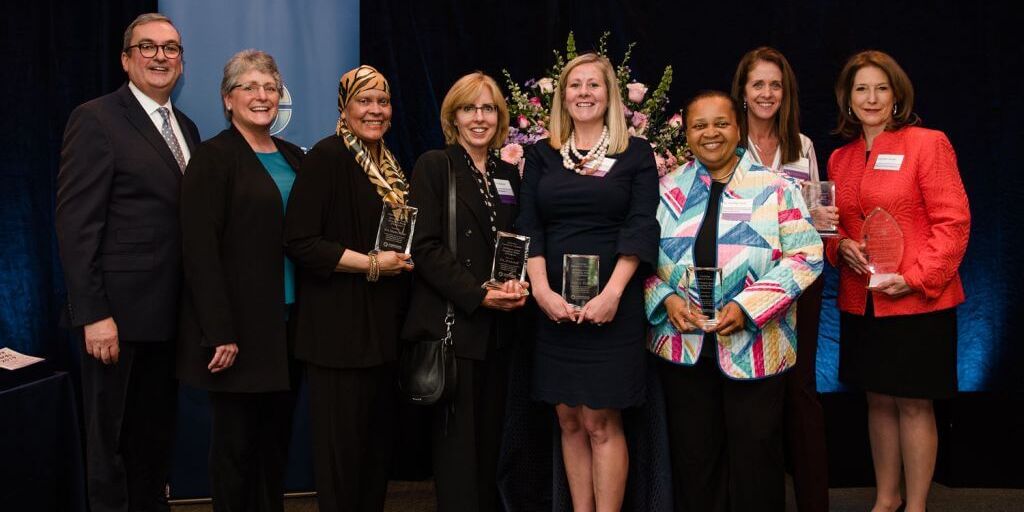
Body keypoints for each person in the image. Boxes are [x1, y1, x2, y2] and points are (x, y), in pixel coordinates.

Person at [644, 90, 823, 512]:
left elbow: (806, 256)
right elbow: (639, 261)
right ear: (686, 133)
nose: (711, 133)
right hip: (684, 347)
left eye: (721, 123)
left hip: (756, 349)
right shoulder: (666, 191)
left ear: (738, 128)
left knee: (756, 463)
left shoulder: (775, 187)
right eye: (699, 125)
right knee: (695, 465)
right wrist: (666, 299)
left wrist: (747, 308)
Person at [55, 13, 199, 512]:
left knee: (152, 444)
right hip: (114, 321)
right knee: (110, 447)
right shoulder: (96, 118)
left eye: (171, 48)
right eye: (148, 47)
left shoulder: (187, 127)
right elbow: (76, 225)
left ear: (182, 62)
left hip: (169, 320)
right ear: (125, 58)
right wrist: (93, 314)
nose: (161, 56)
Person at [828, 50, 970, 512]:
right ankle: (886, 500)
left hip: (918, 300)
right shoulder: (839, 159)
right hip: (862, 302)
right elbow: (834, 229)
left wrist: (914, 279)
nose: (871, 98)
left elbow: (954, 223)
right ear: (848, 99)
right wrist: (839, 246)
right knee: (878, 402)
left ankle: (917, 506)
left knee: (913, 403)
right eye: (861, 89)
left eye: (881, 88)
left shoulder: (928, 144)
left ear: (897, 96)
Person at [517, 52, 659, 512]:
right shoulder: (542, 154)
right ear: (563, 96)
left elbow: (640, 227)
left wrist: (613, 294)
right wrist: (541, 292)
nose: (583, 93)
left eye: (593, 84)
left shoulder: (635, 154)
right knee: (568, 418)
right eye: (575, 85)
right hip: (553, 304)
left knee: (600, 419)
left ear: (609, 94)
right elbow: (529, 226)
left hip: (612, 307)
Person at [176, 50, 303, 512]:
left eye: (269, 87)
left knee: (275, 447)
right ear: (228, 100)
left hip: (290, 327)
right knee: (236, 450)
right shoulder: (213, 159)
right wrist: (220, 331)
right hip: (240, 333)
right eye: (248, 87)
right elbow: (199, 252)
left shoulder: (294, 157)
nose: (261, 95)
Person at [283, 65, 413, 512]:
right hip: (336, 335)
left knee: (374, 456)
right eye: (365, 101)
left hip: (379, 332)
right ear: (345, 107)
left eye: (383, 101)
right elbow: (301, 241)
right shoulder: (328, 156)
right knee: (341, 459)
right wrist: (372, 264)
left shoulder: (390, 164)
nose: (375, 111)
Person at [402, 71, 528, 511]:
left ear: (500, 116)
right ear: (452, 117)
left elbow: (515, 242)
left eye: (488, 108)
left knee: (491, 447)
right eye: (469, 108)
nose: (480, 117)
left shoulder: (507, 171)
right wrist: (478, 293)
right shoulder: (435, 165)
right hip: (456, 328)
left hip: (499, 330)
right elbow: (425, 247)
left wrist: (515, 285)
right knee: (458, 454)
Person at [731, 46, 835, 512]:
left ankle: (814, 503)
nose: (768, 93)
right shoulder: (728, 145)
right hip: (745, 287)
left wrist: (822, 217)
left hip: (798, 282)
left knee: (801, 393)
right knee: (757, 399)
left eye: (775, 84)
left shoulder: (804, 146)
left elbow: (813, 217)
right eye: (759, 84)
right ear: (744, 92)